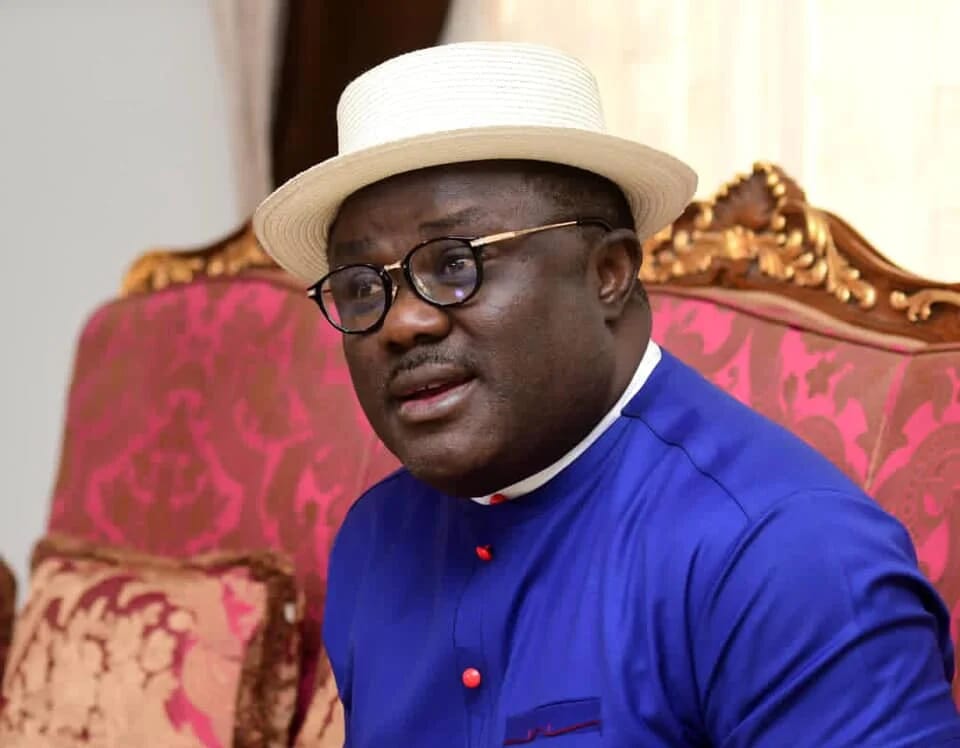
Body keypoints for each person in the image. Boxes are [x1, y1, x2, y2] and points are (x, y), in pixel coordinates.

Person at [254, 42, 960, 747]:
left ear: (608, 274)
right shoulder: (375, 539)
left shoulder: (788, 556)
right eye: (361, 287)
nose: (402, 323)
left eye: (456, 264)